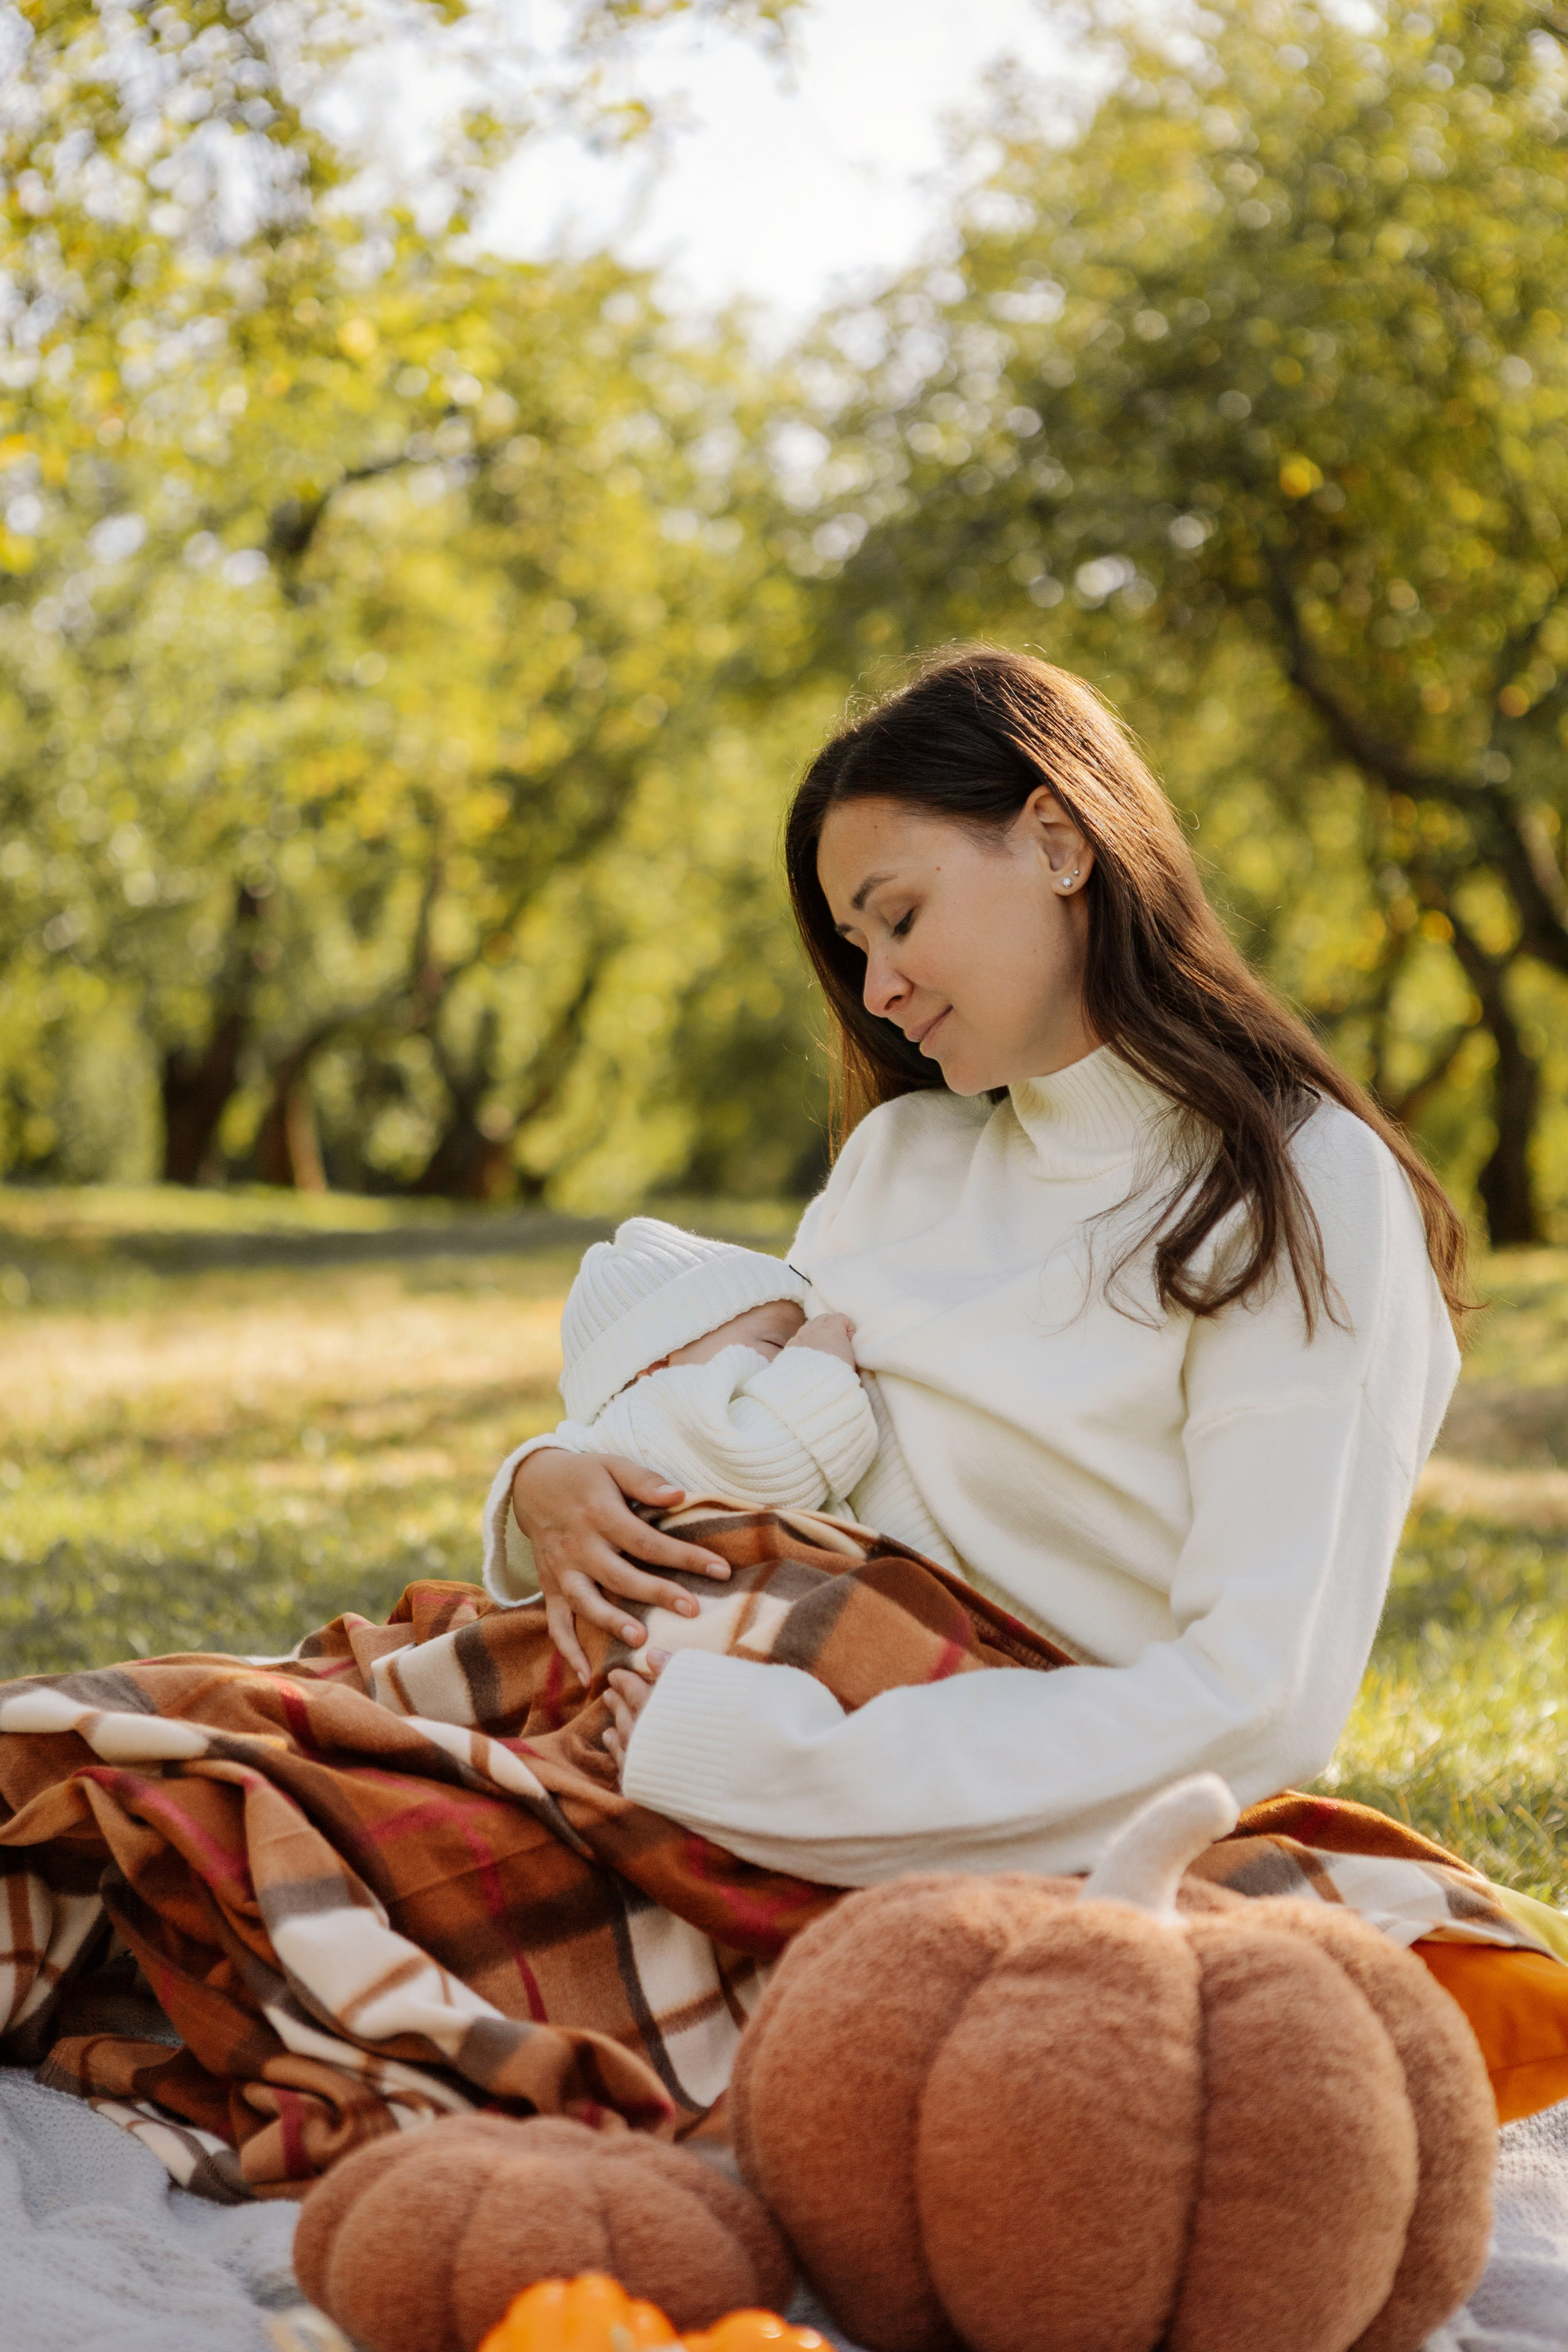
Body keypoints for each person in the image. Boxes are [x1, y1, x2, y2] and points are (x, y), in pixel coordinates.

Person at [498, 647, 1468, 1884]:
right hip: (655, 1695)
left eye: (896, 918)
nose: (875, 986)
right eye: (852, 945)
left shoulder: (1300, 1187)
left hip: (892, 1796)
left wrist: (785, 1777)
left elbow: (1256, 1692)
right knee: (201, 1765)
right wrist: (543, 1482)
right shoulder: (902, 1155)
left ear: (1058, 841)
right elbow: (747, 1433)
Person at [481, 1216, 951, 1672]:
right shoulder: (654, 1409)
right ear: (657, 1363)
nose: (789, 1355)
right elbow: (772, 1464)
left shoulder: (628, 1430)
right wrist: (819, 1362)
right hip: (684, 1646)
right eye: (776, 1343)